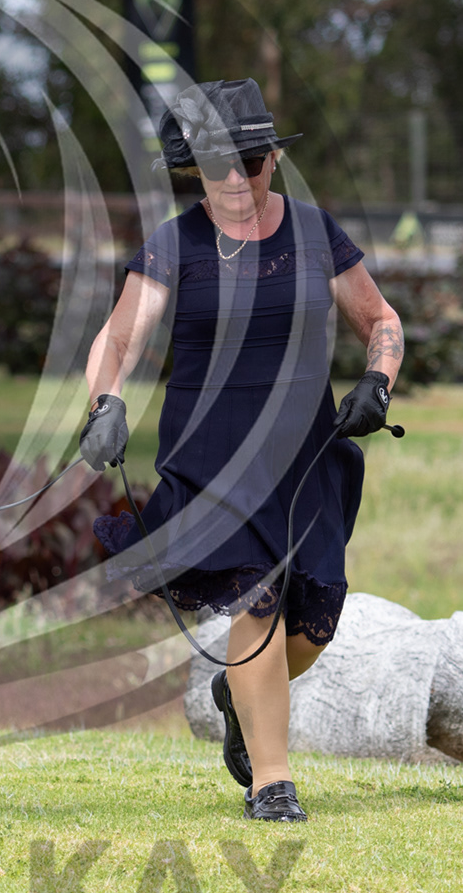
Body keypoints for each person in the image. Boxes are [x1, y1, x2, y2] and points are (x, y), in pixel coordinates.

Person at [79, 79, 403, 823]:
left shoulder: (316, 234)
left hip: (303, 455)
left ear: (273, 161)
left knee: (314, 621)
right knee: (256, 596)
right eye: (217, 165)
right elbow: (118, 338)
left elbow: (380, 319)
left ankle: (237, 691)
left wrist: (378, 382)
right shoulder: (175, 246)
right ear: (195, 169)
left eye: (249, 164)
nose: (234, 180)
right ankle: (273, 784)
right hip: (212, 452)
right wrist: (106, 403)